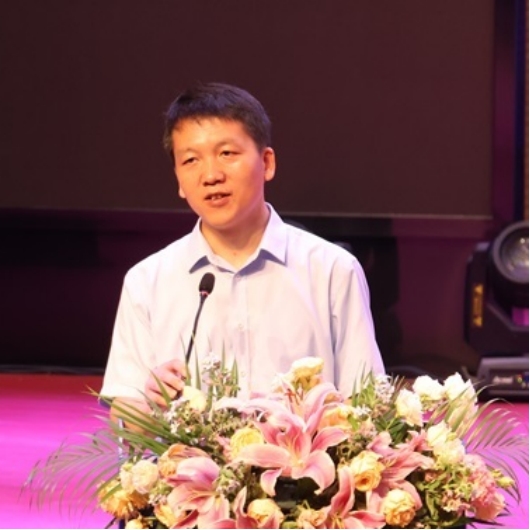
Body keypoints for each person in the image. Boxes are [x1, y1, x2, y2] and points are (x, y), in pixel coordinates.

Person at [100, 82, 384, 418]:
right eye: (190, 160)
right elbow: (124, 414)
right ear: (178, 179)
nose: (211, 175)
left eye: (227, 154)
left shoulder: (332, 271)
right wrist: (150, 405)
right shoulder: (146, 281)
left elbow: (366, 405)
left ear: (267, 163)